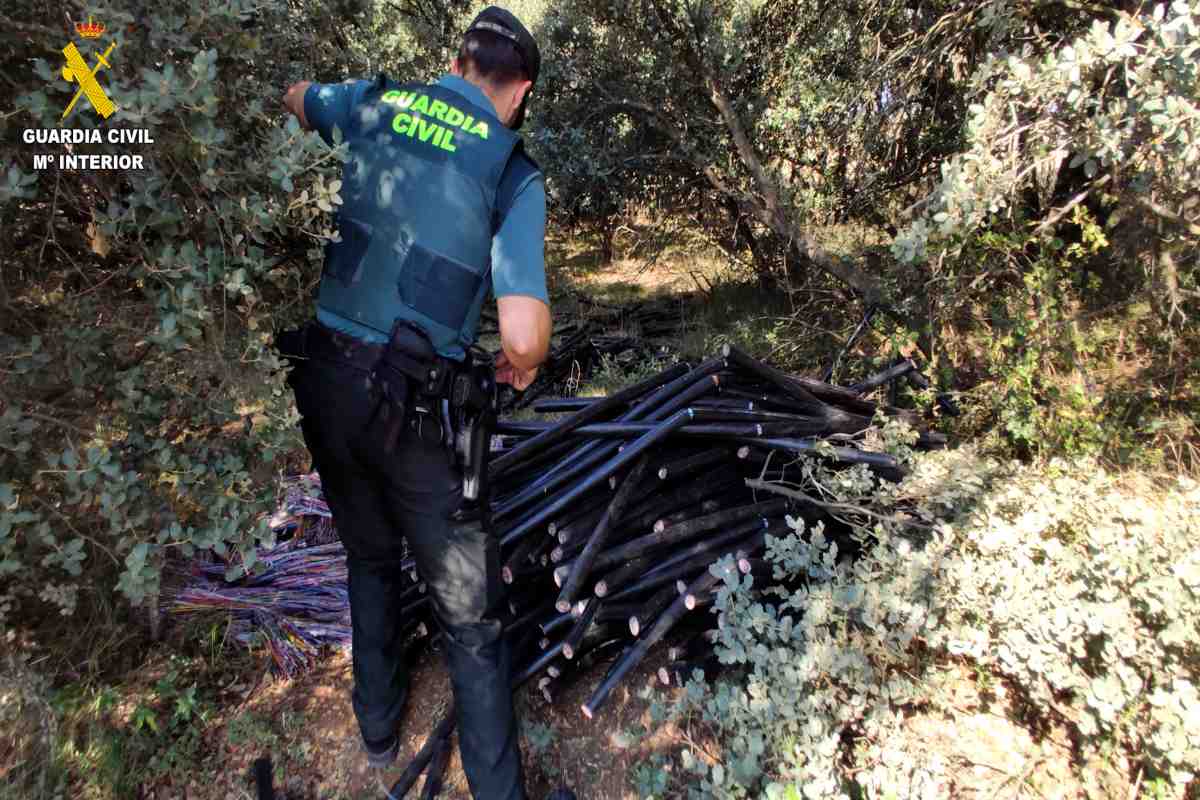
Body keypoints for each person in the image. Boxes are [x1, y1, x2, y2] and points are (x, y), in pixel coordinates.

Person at [278, 8, 563, 800]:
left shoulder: (374, 104)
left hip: (327, 385)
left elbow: (297, 96)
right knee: (471, 619)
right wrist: (519, 359)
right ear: (520, 93)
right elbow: (525, 335)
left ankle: (375, 729)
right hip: (416, 412)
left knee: (368, 556)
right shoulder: (510, 171)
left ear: (456, 62)